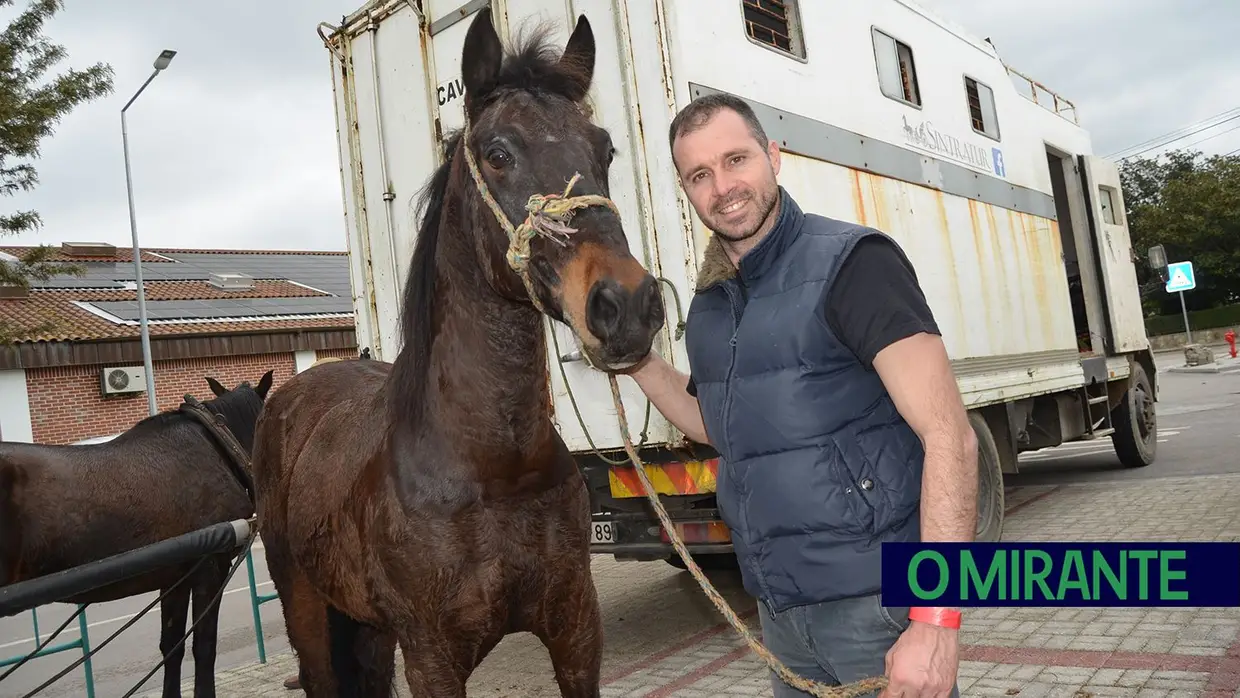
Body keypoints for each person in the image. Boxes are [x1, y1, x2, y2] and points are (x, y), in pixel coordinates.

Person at [623, 93, 978, 698]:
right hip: (781, 617)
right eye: (700, 175)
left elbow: (952, 438)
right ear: (686, 190)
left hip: (878, 609)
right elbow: (717, 425)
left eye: (737, 159)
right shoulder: (709, 307)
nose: (723, 187)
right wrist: (634, 359)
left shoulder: (854, 263)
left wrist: (937, 622)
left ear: (774, 156)